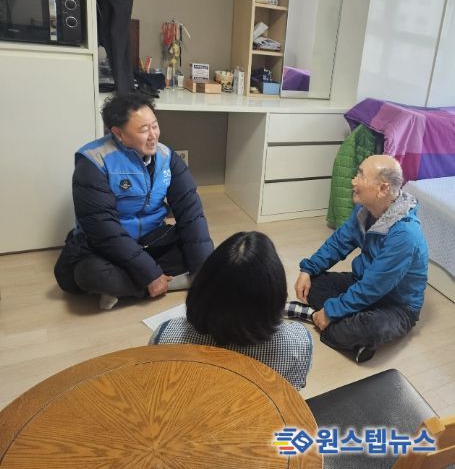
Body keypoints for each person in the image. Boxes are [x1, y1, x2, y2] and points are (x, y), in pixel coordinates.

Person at [54, 93, 214, 309]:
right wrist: (150, 273)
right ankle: (162, 283)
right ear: (118, 133)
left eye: (155, 126)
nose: (153, 136)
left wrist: (204, 273)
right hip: (107, 247)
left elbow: (191, 213)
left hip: (152, 239)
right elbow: (103, 229)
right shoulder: (94, 162)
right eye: (143, 130)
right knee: (89, 274)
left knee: (201, 249)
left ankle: (124, 289)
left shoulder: (167, 157)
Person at [288, 155, 428, 363]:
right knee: (313, 284)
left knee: (368, 328)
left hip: (396, 305)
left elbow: (374, 286)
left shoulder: (405, 234)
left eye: (361, 176)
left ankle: (319, 318)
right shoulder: (365, 210)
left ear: (383, 189)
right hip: (362, 281)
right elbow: (338, 243)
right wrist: (308, 269)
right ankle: (343, 327)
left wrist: (331, 311)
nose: (353, 181)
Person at [150, 231, 313, 390]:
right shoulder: (298, 344)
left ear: (201, 286)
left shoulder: (165, 337)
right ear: (277, 294)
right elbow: (290, 397)